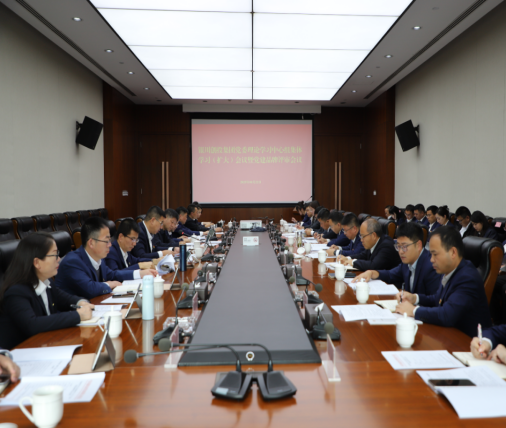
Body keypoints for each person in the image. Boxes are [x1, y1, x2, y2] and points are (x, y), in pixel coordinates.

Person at [0, 233, 94, 349]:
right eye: (55, 255)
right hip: (20, 353)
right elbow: (32, 325)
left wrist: (82, 302)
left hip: (44, 345)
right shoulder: (16, 292)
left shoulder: (46, 282)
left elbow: (65, 299)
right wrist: (77, 315)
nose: (58, 259)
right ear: (37, 263)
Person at [394, 227, 492, 337]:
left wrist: (414, 310)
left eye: (435, 254)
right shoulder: (449, 270)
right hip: (449, 335)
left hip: (468, 341)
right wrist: (415, 298)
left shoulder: (467, 278)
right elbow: (438, 299)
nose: (431, 259)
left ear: (453, 252)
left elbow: (447, 314)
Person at [55, 217, 138, 299]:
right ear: (91, 243)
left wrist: (139, 274)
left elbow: (112, 275)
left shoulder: (99, 258)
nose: (110, 245)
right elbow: (90, 289)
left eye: (110, 240)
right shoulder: (72, 262)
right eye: (106, 241)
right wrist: (108, 284)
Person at [353, 222, 440, 295]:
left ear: (418, 245)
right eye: (398, 246)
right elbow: (390, 274)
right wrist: (371, 273)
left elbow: (433, 301)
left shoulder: (431, 266)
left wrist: (414, 301)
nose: (401, 251)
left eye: (404, 246)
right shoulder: (406, 263)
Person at [337, 218, 401, 271]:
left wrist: (353, 262)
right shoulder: (373, 243)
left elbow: (373, 265)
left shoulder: (386, 245)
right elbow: (363, 255)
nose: (361, 240)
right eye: (360, 236)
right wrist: (347, 258)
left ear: (373, 235)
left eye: (363, 236)